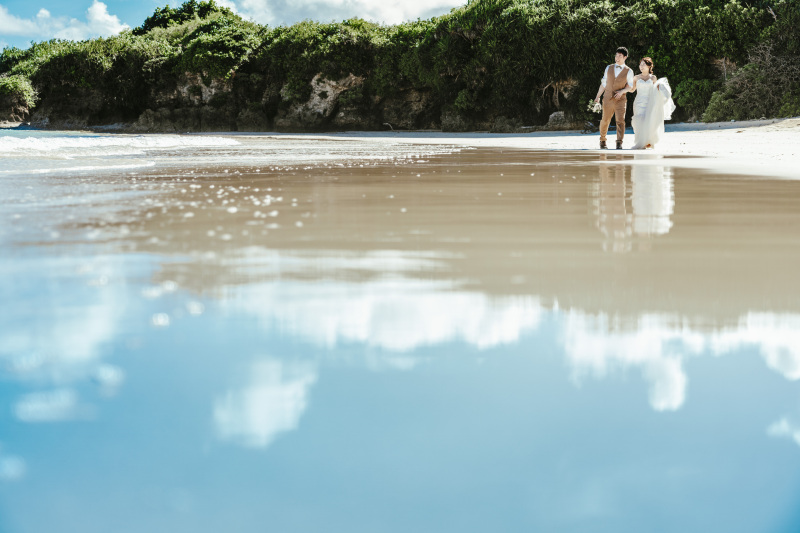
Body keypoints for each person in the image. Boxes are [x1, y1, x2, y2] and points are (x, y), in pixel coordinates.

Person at [629, 57, 676, 149]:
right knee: (638, 121)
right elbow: (632, 89)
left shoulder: (653, 78)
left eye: (643, 64)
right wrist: (623, 89)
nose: (641, 66)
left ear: (649, 66)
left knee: (649, 121)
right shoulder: (636, 77)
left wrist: (662, 90)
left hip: (649, 102)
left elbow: (656, 90)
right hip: (638, 102)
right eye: (640, 64)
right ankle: (640, 141)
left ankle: (648, 141)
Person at [595, 47, 634, 149]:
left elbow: (630, 86)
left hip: (621, 100)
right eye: (616, 55)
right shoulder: (609, 68)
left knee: (620, 121)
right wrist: (597, 96)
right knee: (605, 120)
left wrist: (622, 91)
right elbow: (603, 83)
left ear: (625, 57)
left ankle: (619, 142)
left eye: (620, 56)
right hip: (607, 98)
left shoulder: (629, 71)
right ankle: (602, 140)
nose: (617, 58)